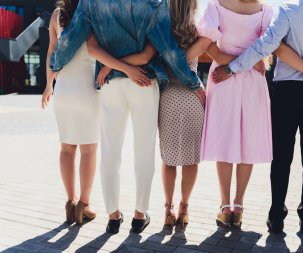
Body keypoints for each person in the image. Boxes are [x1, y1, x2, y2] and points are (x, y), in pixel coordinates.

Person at [49, 0, 204, 235]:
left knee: (110, 152)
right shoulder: (154, 3)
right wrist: (194, 83)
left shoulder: (91, 4)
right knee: (144, 151)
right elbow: (169, 51)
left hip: (110, 83)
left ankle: (113, 216)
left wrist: (55, 62)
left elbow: (74, 42)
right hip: (144, 81)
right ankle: (140, 216)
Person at [213, 0, 303, 234]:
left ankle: (276, 216)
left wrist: (231, 68)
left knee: (282, 157)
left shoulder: (288, 10)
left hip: (286, 91)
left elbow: (265, 45)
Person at [41, 0, 98, 225]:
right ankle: (84, 205)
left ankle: (70, 202)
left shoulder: (57, 15)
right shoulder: (93, 11)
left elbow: (50, 53)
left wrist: (48, 86)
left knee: (66, 148)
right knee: (89, 150)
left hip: (63, 89)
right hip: (87, 89)